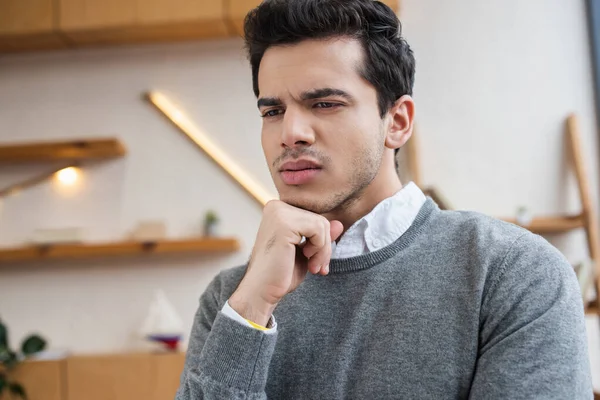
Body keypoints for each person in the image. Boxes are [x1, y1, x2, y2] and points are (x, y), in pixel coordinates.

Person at [176, 0, 593, 398]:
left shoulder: (511, 274)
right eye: (272, 112)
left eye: (324, 103)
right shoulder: (233, 299)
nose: (291, 133)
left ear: (397, 122)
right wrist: (251, 308)